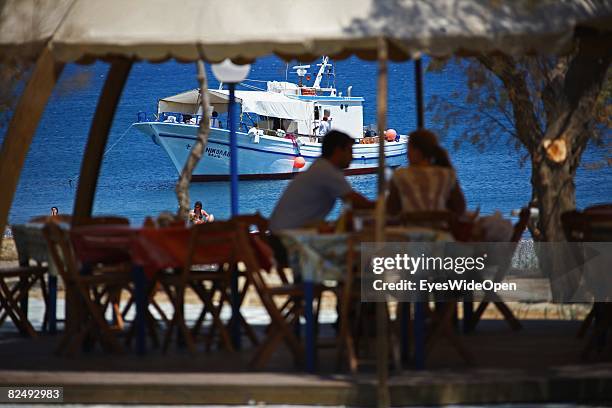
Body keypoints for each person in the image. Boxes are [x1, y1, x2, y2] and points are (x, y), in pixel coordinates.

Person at [270, 130, 372, 232]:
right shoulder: (327, 171)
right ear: (338, 151)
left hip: (283, 234)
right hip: (289, 240)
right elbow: (359, 203)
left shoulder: (320, 166)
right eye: (349, 151)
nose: (352, 157)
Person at [387, 129, 466, 217]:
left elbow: (392, 210)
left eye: (408, 149)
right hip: (440, 229)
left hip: (410, 229)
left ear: (416, 151)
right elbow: (460, 209)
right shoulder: (447, 174)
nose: (407, 154)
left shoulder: (400, 175)